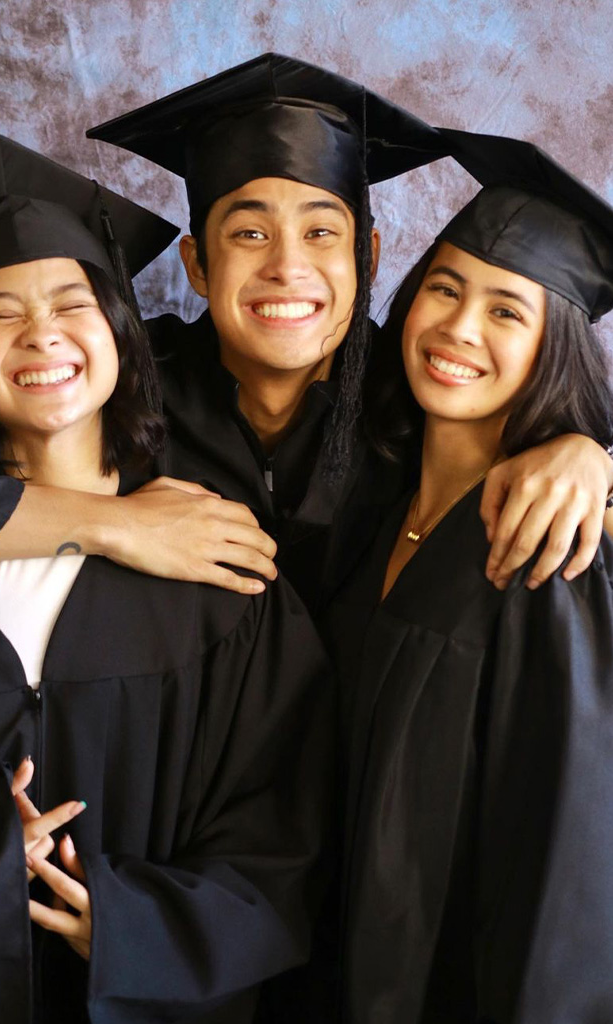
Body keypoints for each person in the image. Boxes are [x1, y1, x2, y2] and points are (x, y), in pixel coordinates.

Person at [0, 54, 610, 618]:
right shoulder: (121, 382)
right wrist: (112, 525)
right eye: (249, 232)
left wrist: (590, 455)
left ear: (370, 257)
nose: (288, 267)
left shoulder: (425, 389)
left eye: (322, 232)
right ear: (198, 265)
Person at [0, 135, 333, 1024]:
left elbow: (288, 832)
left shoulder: (219, 568)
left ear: (119, 332)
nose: (41, 332)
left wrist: (133, 928)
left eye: (70, 302)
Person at [327, 129, 613, 1023]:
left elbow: (565, 858)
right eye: (443, 290)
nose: (458, 329)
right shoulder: (370, 510)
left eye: (506, 311)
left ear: (552, 346)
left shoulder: (552, 553)